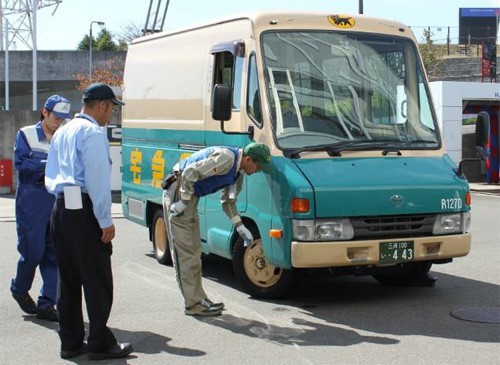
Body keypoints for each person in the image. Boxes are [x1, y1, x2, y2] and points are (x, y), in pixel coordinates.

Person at [45, 83, 133, 360]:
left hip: (60, 208)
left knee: (68, 281)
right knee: (97, 281)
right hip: (84, 211)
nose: (111, 116)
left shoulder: (62, 130)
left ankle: (70, 342)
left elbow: (51, 171)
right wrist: (105, 220)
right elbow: (97, 181)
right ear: (103, 105)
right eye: (111, 109)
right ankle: (99, 342)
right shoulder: (93, 133)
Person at [162, 142, 271, 316]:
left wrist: (240, 226)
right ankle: (193, 304)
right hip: (179, 191)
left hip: (190, 197)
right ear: (249, 159)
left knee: (195, 252)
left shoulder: (238, 174)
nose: (258, 170)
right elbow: (190, 172)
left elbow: (228, 202)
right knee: (185, 253)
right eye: (258, 165)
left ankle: (199, 298)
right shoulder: (227, 159)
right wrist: (183, 202)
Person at [11, 95, 72, 322]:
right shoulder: (26, 134)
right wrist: (50, 165)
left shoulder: (65, 136)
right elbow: (23, 165)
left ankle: (47, 304)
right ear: (44, 112)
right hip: (32, 199)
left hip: (55, 198)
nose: (60, 122)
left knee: (54, 254)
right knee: (32, 251)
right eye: (57, 117)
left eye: (64, 119)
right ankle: (19, 288)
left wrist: (43, 165)